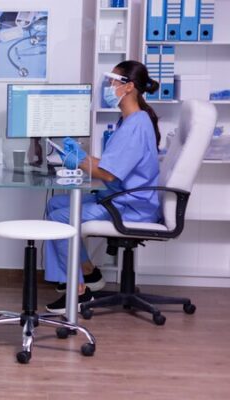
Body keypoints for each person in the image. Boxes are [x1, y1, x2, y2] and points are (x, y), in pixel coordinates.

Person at [44, 60, 163, 314]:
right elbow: (112, 165)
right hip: (120, 198)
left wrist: (79, 162)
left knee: (59, 217)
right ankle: (88, 273)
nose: (108, 86)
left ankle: (78, 291)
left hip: (130, 207)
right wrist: (81, 157)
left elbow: (108, 174)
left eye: (112, 81)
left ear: (129, 87)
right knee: (55, 203)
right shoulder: (129, 121)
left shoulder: (136, 124)